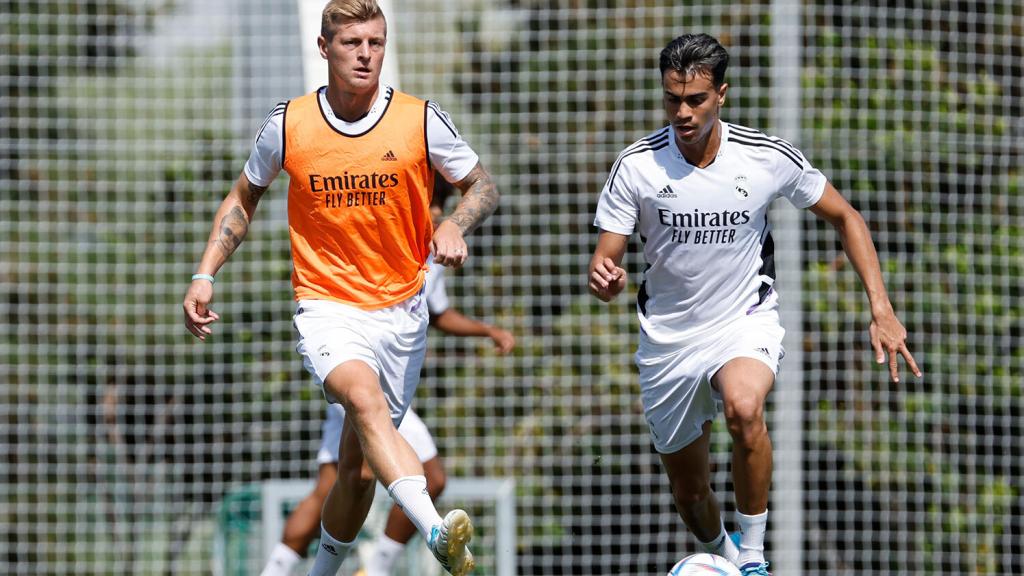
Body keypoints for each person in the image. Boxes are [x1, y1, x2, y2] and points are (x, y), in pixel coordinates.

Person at [183, 0, 499, 574]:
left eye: (376, 43)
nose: (366, 54)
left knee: (356, 473)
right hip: (326, 304)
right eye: (352, 43)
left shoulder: (420, 119)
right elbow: (242, 200)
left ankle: (326, 570)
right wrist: (206, 273)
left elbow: (480, 185)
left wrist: (454, 221)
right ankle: (434, 529)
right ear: (324, 48)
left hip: (401, 310)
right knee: (362, 397)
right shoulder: (289, 124)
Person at [588, 33, 921, 576]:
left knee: (745, 409)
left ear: (722, 94)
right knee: (691, 493)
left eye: (695, 99)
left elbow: (847, 217)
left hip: (744, 321)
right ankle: (721, 554)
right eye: (672, 99)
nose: (683, 112)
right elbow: (606, 259)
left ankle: (753, 557)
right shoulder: (637, 166)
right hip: (668, 338)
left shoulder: (765, 157)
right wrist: (605, 278)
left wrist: (881, 309)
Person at [261, 189, 516, 576]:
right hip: (355, 376)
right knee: (348, 481)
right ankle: (384, 558)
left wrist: (487, 330)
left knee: (361, 477)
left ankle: (364, 568)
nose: (432, 213)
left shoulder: (431, 251)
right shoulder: (374, 232)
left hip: (387, 385)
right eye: (427, 204)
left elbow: (439, 312)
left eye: (438, 207)